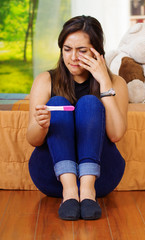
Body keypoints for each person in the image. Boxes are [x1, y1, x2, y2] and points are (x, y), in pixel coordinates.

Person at [26, 15, 128, 221]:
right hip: (53, 176)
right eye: (67, 49)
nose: (73, 57)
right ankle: (70, 192)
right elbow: (33, 139)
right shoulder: (45, 80)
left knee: (89, 103)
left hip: (101, 177)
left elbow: (116, 134)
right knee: (56, 104)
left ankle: (87, 191)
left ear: (97, 51)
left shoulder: (116, 83)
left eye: (82, 50)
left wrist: (104, 83)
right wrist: (41, 124)